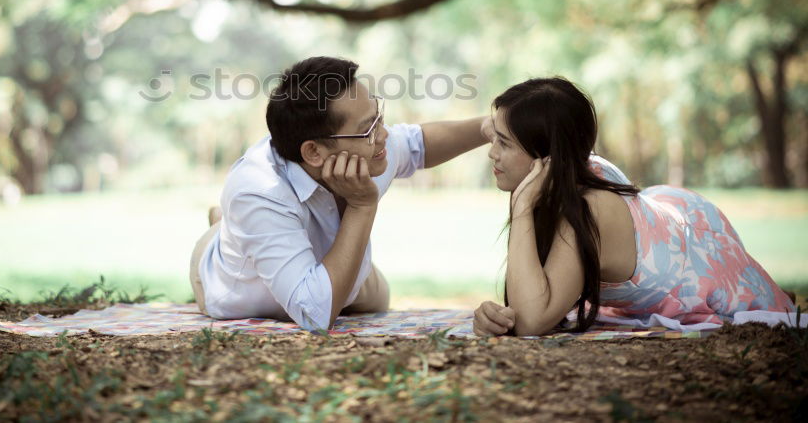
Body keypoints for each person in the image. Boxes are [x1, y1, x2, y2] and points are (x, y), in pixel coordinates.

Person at [473, 77, 795, 337]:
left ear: (547, 159)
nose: (492, 153)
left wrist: (522, 207)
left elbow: (532, 320)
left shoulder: (588, 211)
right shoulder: (565, 179)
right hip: (666, 220)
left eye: (504, 142)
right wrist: (497, 318)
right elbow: (528, 302)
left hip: (696, 254)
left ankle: (770, 291)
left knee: (760, 302)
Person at [190, 56, 490, 331]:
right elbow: (314, 314)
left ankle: (232, 224)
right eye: (369, 128)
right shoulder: (258, 190)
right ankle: (224, 224)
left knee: (377, 299)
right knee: (261, 240)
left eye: (379, 117)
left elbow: (417, 144)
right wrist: (361, 205)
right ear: (314, 152)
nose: (383, 134)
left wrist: (489, 127)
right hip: (241, 288)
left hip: (336, 266)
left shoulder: (369, 149)